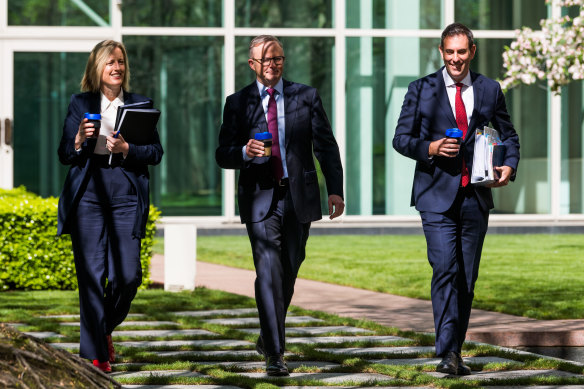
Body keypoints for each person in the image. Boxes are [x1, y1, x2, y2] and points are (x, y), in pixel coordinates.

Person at [392, 23, 520, 375]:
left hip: (475, 197)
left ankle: (455, 352)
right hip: (435, 196)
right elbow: (401, 139)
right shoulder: (421, 89)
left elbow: (508, 135)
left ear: (472, 52)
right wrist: (430, 147)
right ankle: (446, 351)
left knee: (466, 277)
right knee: (445, 268)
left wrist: (508, 165)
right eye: (450, 52)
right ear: (441, 52)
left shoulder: (490, 90)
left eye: (462, 52)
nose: (456, 58)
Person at [216, 35, 344, 376]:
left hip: (298, 196)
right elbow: (222, 153)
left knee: (289, 268)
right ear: (252, 64)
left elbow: (326, 146)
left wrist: (335, 189)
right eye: (266, 60)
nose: (273, 64)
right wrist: (245, 152)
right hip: (260, 197)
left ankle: (267, 333)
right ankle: (275, 353)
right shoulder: (237, 102)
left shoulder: (306, 96)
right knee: (269, 272)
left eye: (278, 58)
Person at [57, 40, 163, 373]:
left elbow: (156, 153)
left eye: (120, 62)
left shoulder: (141, 104)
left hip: (126, 197)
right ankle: (96, 357)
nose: (116, 67)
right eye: (109, 62)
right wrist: (78, 140)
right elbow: (65, 154)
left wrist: (129, 147)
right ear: (97, 68)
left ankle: (100, 331)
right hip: (89, 196)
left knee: (128, 277)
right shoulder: (80, 103)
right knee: (91, 277)